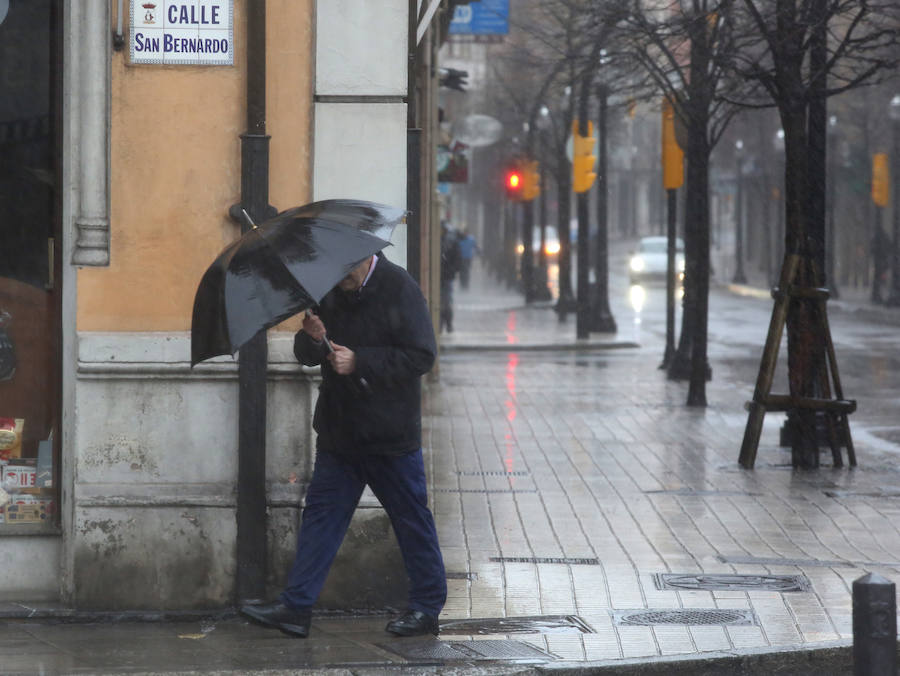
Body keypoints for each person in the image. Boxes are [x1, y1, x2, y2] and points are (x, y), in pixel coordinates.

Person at [240, 252, 446, 638]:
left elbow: (421, 355)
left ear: (364, 258)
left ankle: (426, 608)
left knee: (411, 519)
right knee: (321, 519)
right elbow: (308, 356)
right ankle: (297, 608)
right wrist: (313, 339)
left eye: (346, 273)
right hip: (341, 433)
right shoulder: (330, 289)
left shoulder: (400, 288)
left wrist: (361, 361)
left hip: (389, 436)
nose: (340, 282)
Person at [440, 222, 461, 333]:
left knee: (446, 302)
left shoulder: (451, 242)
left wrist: (450, 271)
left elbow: (457, 260)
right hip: (444, 276)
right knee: (443, 302)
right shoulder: (440, 241)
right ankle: (444, 324)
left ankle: (447, 324)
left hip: (446, 277)